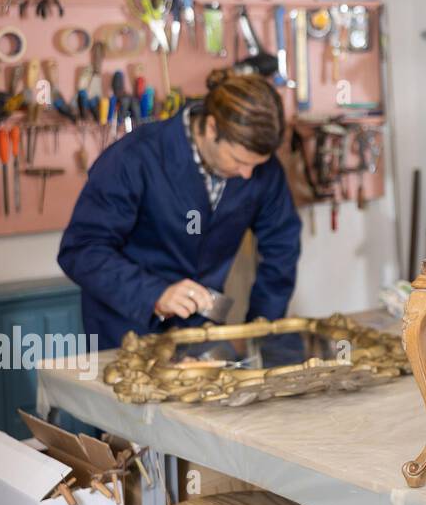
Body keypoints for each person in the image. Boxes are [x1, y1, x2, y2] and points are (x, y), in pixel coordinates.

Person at [59, 70, 302, 349]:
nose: (248, 174)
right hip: (126, 327)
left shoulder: (261, 169)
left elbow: (282, 247)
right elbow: (81, 250)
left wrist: (261, 329)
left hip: (203, 329)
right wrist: (154, 294)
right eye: (238, 160)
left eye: (256, 165)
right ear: (211, 128)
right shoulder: (133, 157)